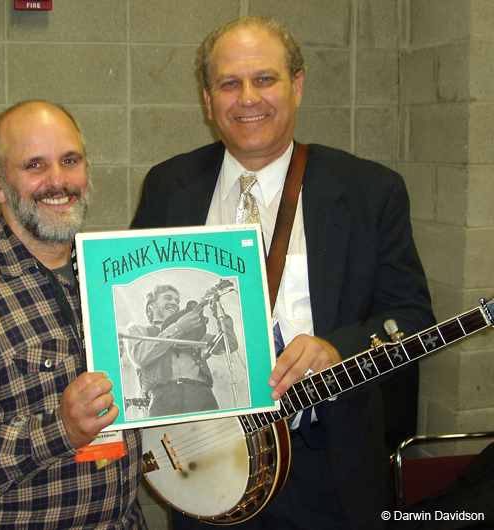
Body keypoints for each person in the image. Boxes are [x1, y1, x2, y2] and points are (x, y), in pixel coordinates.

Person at [131, 15, 435, 530]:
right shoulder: (169, 185)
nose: (248, 98)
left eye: (265, 79)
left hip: (328, 469)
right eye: (229, 83)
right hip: (206, 467)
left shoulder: (370, 191)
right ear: (208, 100)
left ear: (297, 85)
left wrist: (339, 348)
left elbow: (412, 317)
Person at [0, 101, 146, 530]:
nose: (58, 181)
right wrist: (60, 430)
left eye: (70, 161)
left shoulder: (112, 275)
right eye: (35, 165)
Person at [125, 283, 239, 417]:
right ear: (151, 305)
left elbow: (229, 344)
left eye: (177, 301)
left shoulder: (195, 333)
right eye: (168, 298)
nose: (174, 303)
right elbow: (139, 357)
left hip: (203, 394)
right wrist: (178, 328)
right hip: (164, 398)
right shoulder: (139, 331)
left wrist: (216, 310)